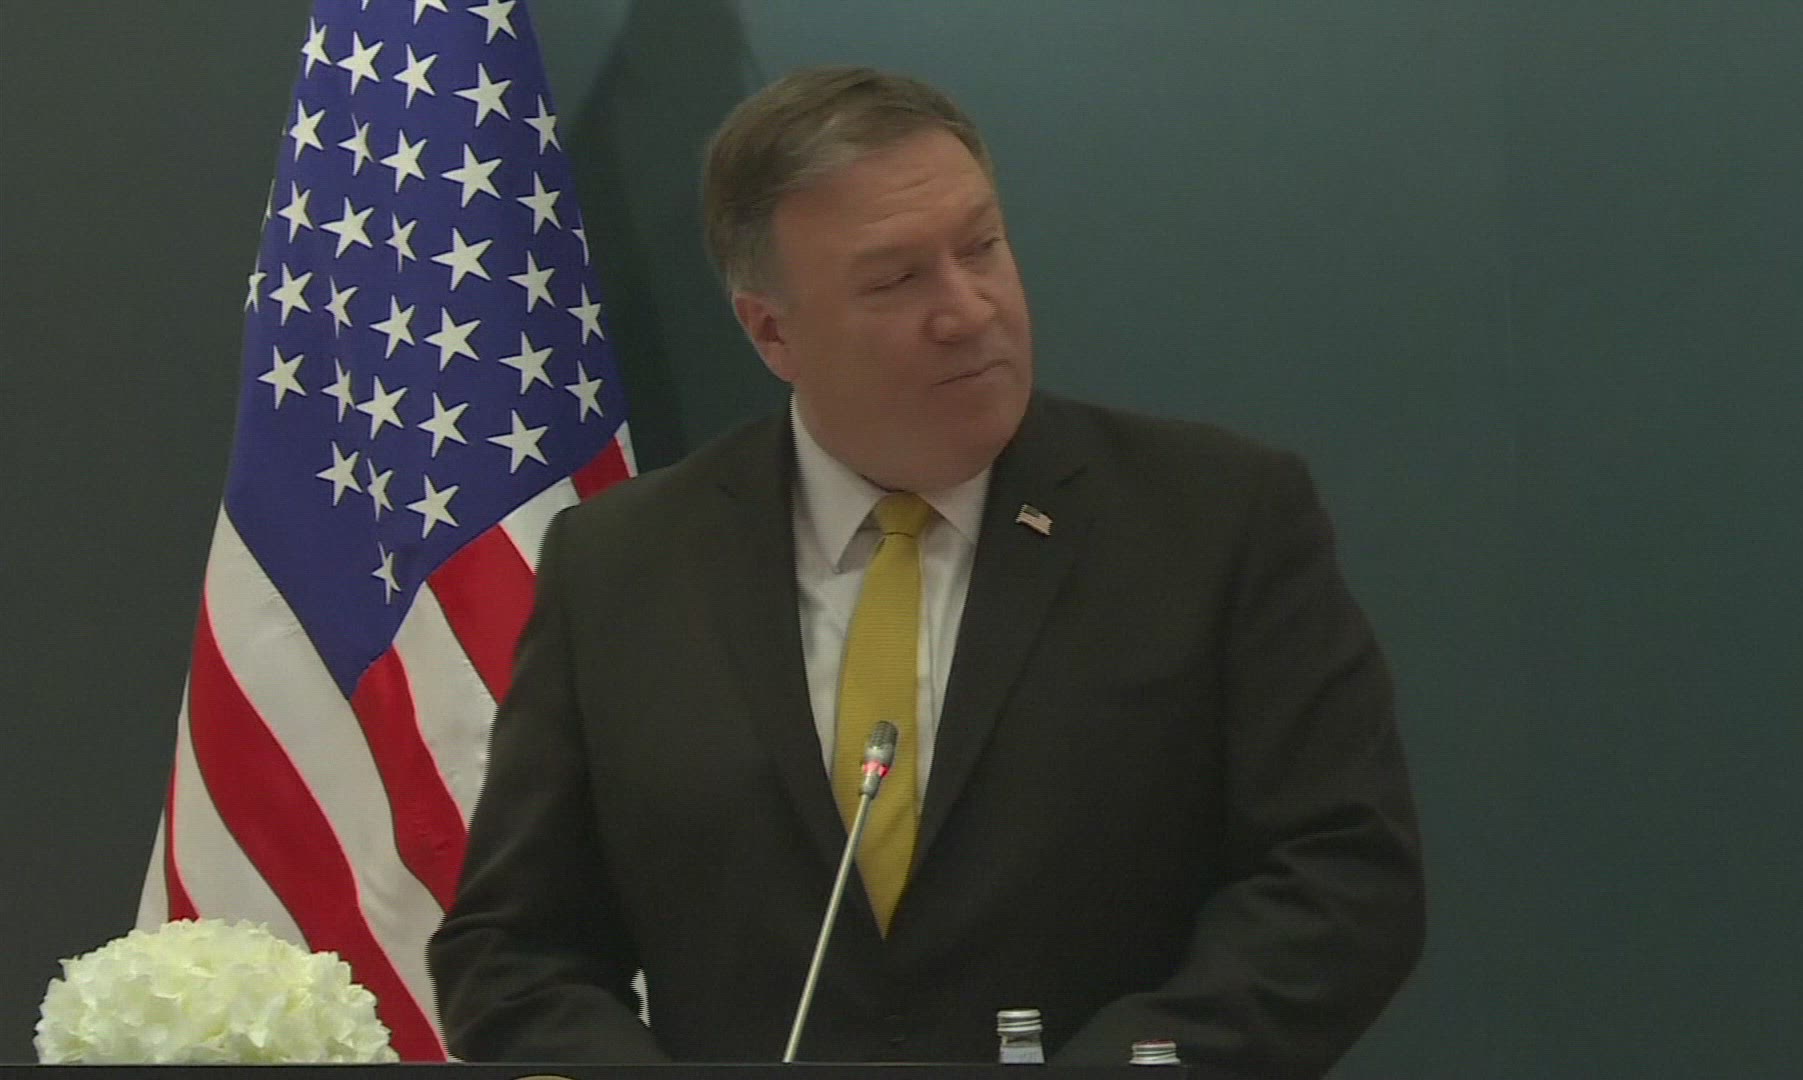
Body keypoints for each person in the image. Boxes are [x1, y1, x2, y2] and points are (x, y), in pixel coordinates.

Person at [428, 66, 1424, 1077]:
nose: (968, 310)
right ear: (771, 330)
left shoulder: (1215, 519)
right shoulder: (621, 566)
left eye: (981, 247)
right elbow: (514, 952)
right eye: (896, 280)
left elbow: (1340, 880)